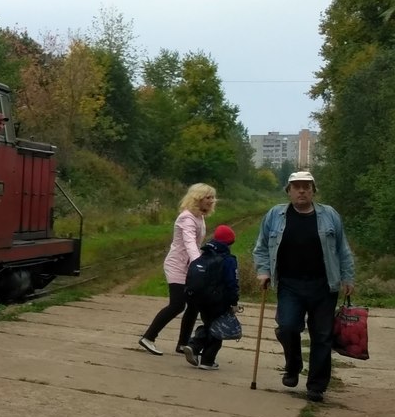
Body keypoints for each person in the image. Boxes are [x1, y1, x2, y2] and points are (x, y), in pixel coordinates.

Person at [253, 171, 355, 402]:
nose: (301, 191)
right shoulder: (275, 215)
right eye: (296, 186)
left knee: (322, 336)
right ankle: (293, 364)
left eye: (306, 187)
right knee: (287, 327)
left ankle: (316, 386)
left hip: (324, 285)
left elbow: (342, 249)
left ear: (313, 191)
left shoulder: (330, 216)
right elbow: (261, 246)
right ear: (288, 191)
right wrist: (263, 271)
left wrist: (348, 278)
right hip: (290, 284)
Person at [137, 182, 217, 356]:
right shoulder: (186, 218)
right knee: (177, 304)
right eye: (207, 197)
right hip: (177, 265)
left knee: (194, 305)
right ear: (197, 199)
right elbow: (189, 242)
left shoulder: (199, 216)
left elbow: (196, 244)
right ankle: (148, 337)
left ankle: (182, 344)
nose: (211, 200)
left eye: (212, 197)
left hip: (189, 266)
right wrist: (199, 264)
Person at [183, 225, 240, 370]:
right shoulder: (228, 260)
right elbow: (232, 282)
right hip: (219, 300)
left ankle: (194, 347)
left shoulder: (204, 255)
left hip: (200, 299)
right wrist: (234, 302)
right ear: (229, 242)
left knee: (209, 323)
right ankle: (205, 358)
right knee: (218, 330)